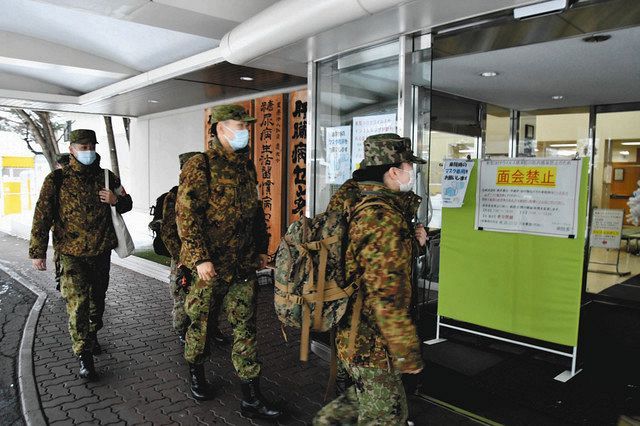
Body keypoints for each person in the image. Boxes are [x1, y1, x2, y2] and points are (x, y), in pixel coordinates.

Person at [314, 133, 428, 425]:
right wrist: (406, 352)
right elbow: (386, 294)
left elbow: (365, 257)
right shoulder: (381, 216)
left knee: (369, 396)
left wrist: (412, 242)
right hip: (371, 341)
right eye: (408, 167)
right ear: (393, 171)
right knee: (389, 414)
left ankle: (326, 421)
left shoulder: (354, 196)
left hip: (351, 330)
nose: (411, 173)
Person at [176, 104, 281, 419]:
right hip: (208, 269)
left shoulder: (245, 166)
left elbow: (254, 213)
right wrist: (200, 258)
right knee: (202, 325)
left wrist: (262, 248)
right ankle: (196, 372)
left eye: (246, 126)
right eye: (239, 125)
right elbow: (186, 215)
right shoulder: (201, 165)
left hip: (242, 265)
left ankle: (251, 396)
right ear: (220, 128)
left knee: (246, 327)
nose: (244, 131)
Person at [29, 129, 132, 380]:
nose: (87, 151)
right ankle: (84, 354)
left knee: (98, 299)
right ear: (72, 149)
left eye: (90, 146)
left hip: (100, 252)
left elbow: (128, 203)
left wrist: (115, 200)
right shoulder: (56, 180)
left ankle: (93, 333)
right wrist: (37, 252)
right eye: (82, 147)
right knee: (77, 305)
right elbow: (42, 216)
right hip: (71, 254)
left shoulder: (107, 177)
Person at [161, 151, 229, 346]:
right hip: (183, 257)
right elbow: (168, 231)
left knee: (212, 297)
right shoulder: (173, 196)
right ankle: (182, 330)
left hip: (207, 255)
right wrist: (179, 256)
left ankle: (213, 328)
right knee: (182, 295)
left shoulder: (211, 193)